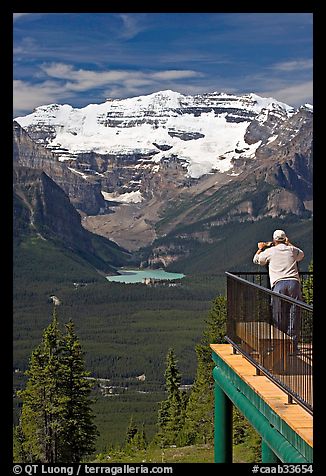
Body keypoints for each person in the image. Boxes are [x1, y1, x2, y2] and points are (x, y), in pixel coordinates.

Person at [253, 229, 304, 352]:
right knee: (294, 313)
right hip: (294, 283)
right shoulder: (291, 250)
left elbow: (256, 259)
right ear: (285, 239)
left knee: (278, 314)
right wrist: (289, 243)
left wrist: (261, 247)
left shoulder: (270, 251)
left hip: (279, 284)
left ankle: (280, 345)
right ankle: (293, 345)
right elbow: (301, 255)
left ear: (274, 240)